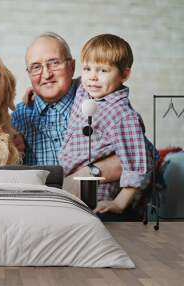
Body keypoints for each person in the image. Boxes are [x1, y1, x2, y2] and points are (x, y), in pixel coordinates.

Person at [58, 34, 152, 215]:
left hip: (98, 189)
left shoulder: (123, 116)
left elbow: (137, 164)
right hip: (70, 175)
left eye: (103, 71)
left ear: (124, 74)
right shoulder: (84, 90)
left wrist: (119, 203)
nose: (92, 77)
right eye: (87, 68)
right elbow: (68, 83)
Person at [12, 32, 122, 184]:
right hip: (40, 204)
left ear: (72, 66)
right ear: (29, 74)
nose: (46, 74)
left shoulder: (98, 100)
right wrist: (12, 155)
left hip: (96, 206)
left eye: (54, 63)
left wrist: (88, 174)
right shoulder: (18, 117)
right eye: (36, 67)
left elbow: (143, 155)